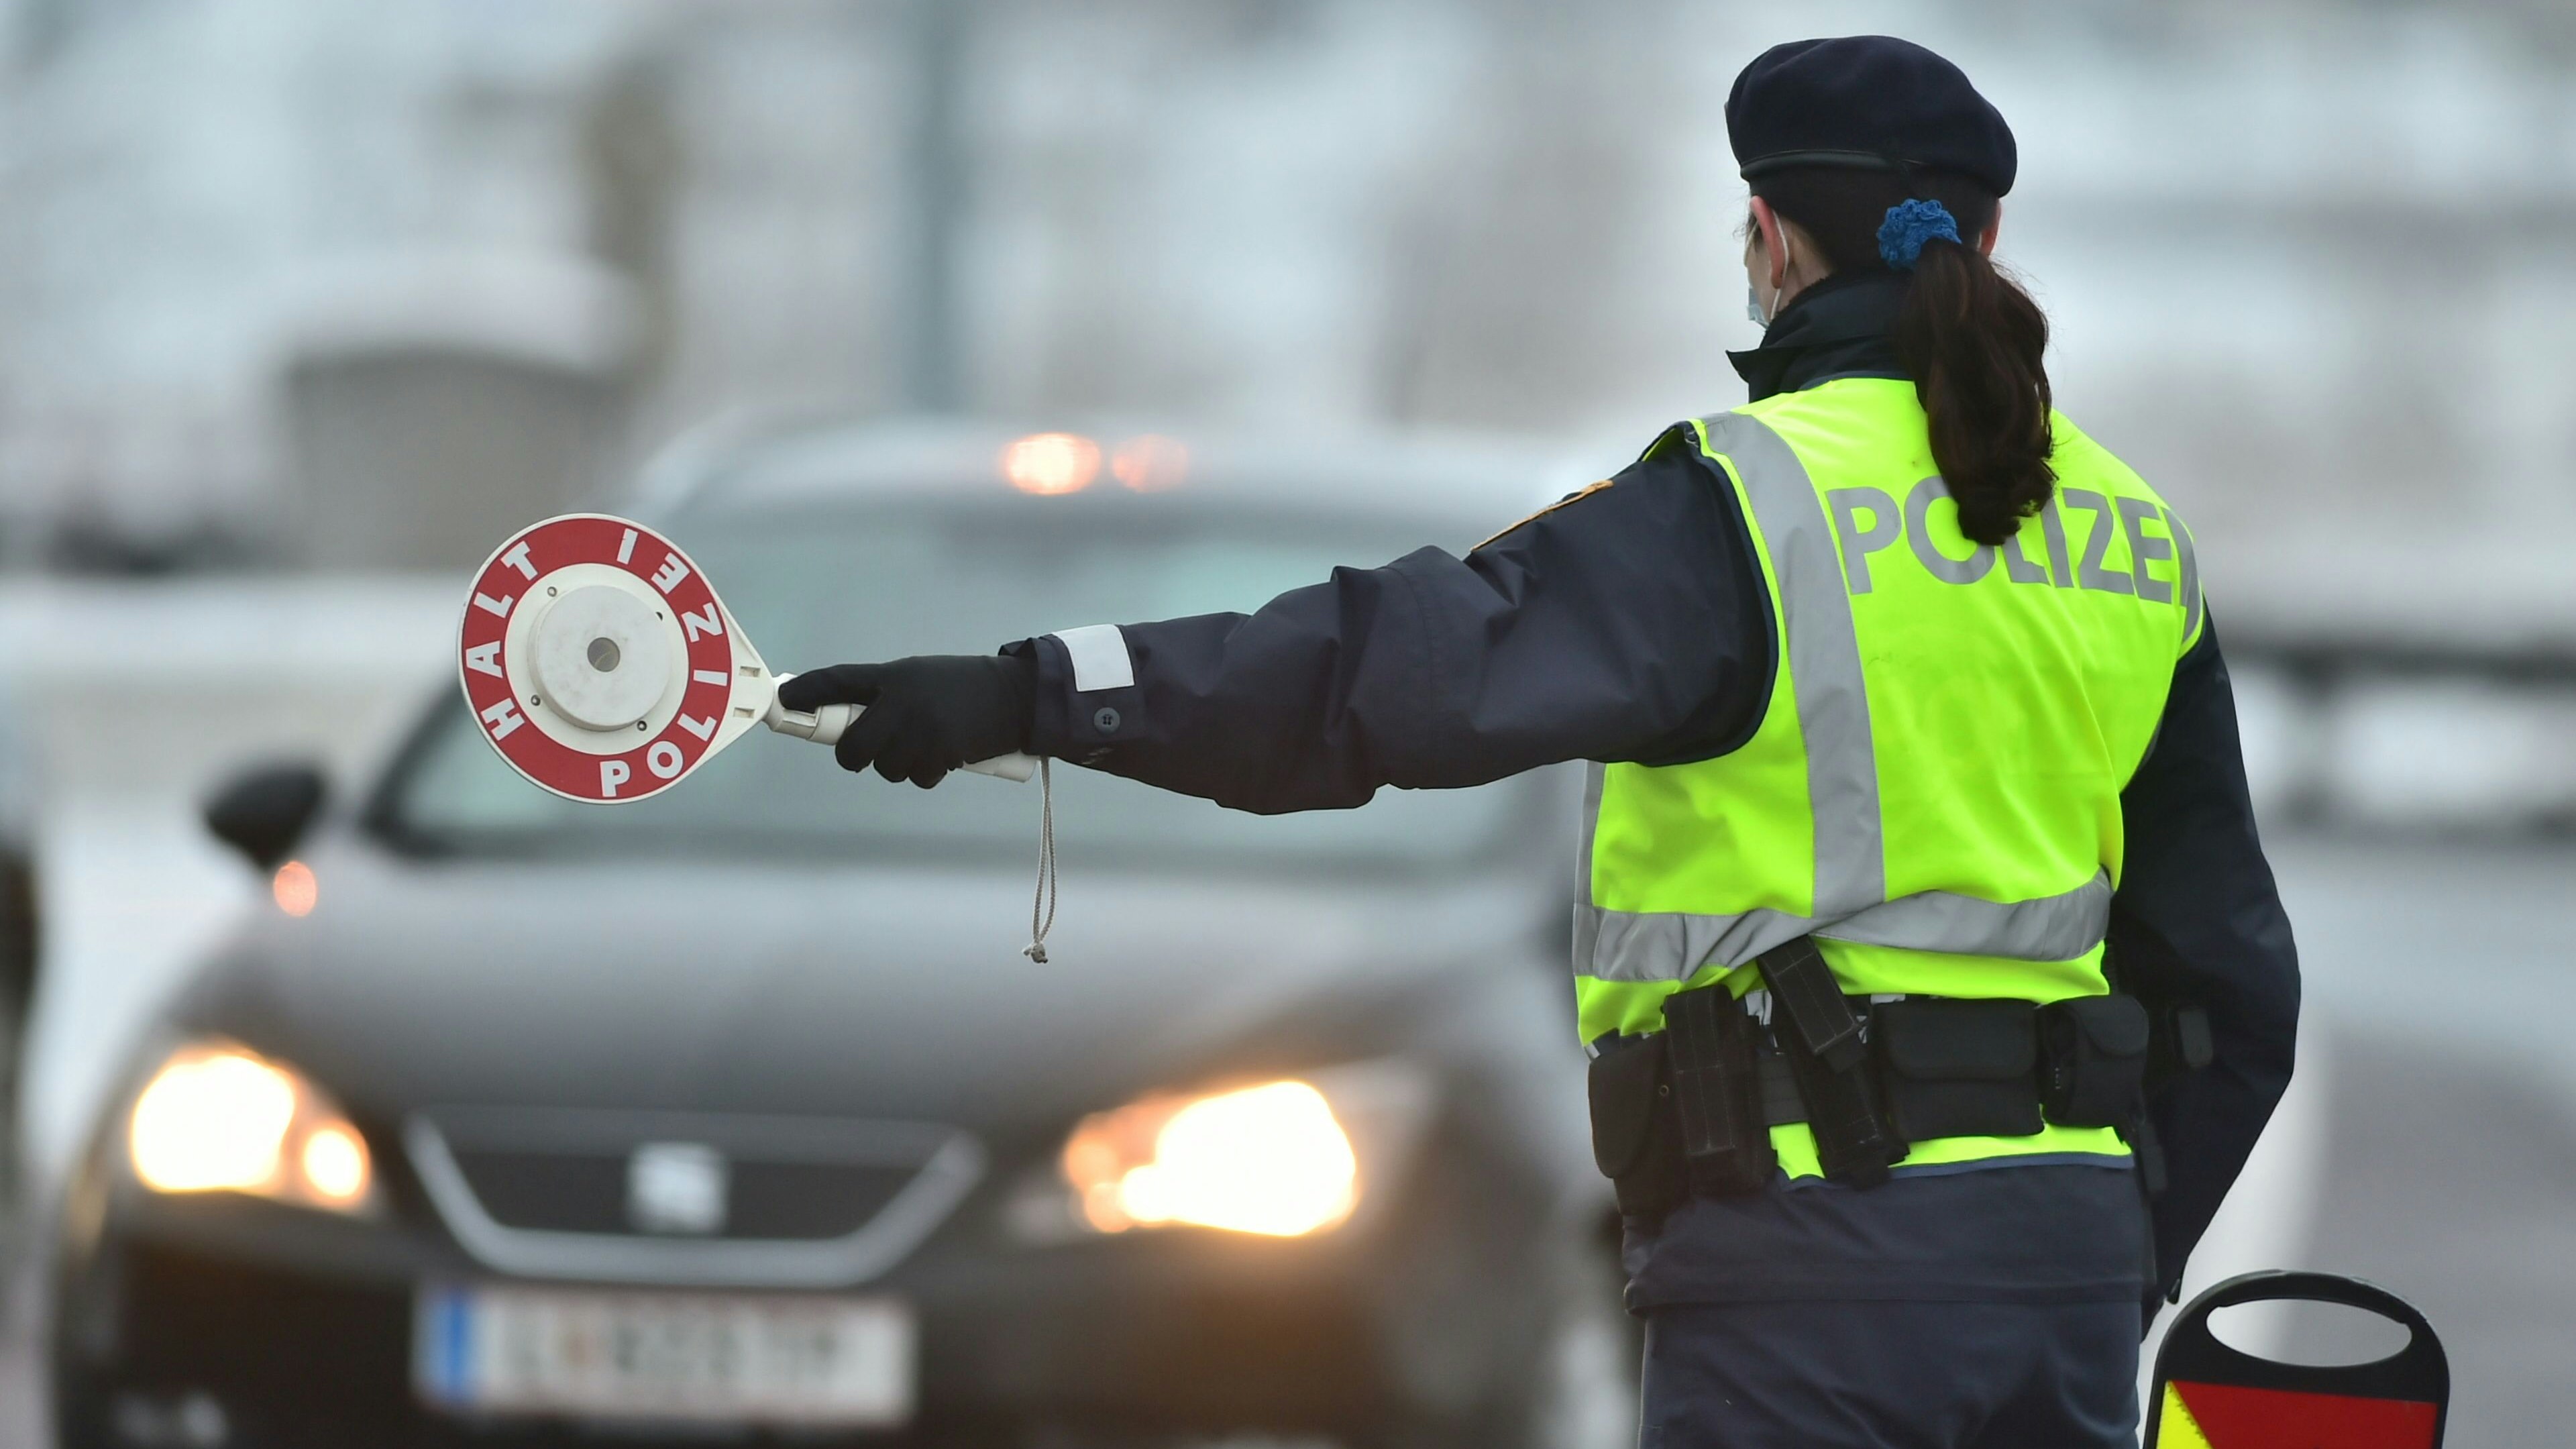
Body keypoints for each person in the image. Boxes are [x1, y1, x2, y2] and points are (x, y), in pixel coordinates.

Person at [781, 35, 2299, 1449]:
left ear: (1770, 237)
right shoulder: (2125, 530)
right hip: (2062, 1265)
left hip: (1811, 1276)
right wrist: (2113, 1246)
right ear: (1984, 239)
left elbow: (1376, 678)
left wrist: (1040, 690)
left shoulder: (1740, 508)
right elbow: (2234, 980)